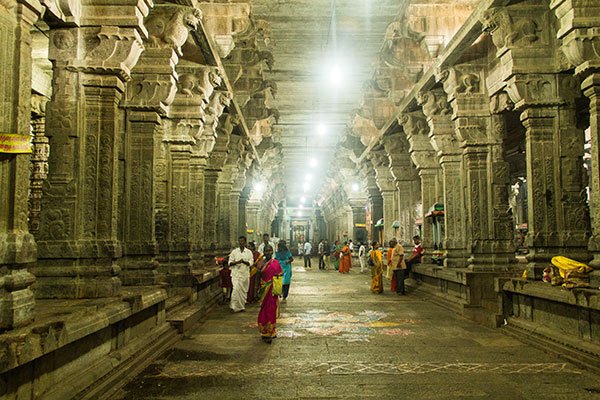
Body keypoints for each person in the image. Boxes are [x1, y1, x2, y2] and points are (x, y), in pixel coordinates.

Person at [257, 244, 283, 344]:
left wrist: (277, 285)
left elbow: (280, 274)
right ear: (264, 252)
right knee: (264, 309)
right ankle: (264, 331)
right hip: (264, 289)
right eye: (266, 251)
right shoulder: (261, 263)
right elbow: (258, 275)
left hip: (272, 291)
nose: (268, 252)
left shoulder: (275, 262)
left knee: (271, 309)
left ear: (272, 251)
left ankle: (271, 331)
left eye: (269, 251)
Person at [227, 236, 254, 312]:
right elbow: (230, 262)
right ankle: (233, 307)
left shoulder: (249, 252)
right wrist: (237, 262)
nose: (240, 243)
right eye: (239, 241)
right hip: (236, 274)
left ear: (245, 242)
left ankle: (241, 307)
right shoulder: (234, 252)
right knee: (235, 290)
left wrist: (244, 262)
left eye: (242, 241)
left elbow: (251, 262)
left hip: (245, 275)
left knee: (243, 291)